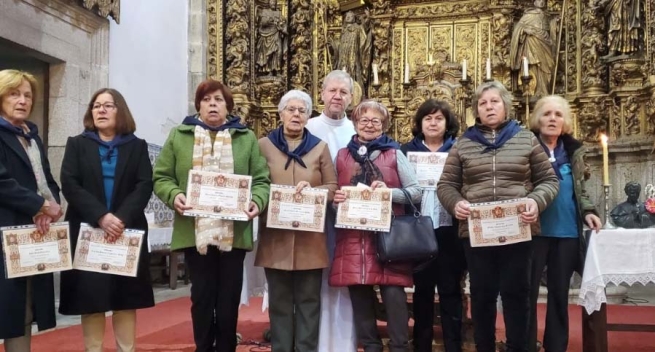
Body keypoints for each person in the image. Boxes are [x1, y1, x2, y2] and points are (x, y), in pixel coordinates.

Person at [437, 81, 559, 352]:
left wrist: (534, 201)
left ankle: (517, 347)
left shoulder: (526, 138)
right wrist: (455, 204)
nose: (489, 106)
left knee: (517, 295)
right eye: (483, 103)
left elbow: (549, 181)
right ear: (476, 110)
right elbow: (445, 185)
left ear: (505, 106)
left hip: (518, 230)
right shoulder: (463, 144)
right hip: (478, 234)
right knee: (482, 295)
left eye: (495, 101)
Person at [153, 79, 271, 352]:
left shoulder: (246, 137)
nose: (212, 104)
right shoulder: (179, 135)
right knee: (203, 296)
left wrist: (256, 201)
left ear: (228, 106)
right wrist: (174, 195)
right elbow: (161, 177)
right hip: (195, 231)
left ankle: (227, 346)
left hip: (234, 229)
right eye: (206, 100)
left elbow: (262, 180)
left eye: (218, 99)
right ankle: (204, 347)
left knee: (228, 298)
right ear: (199, 106)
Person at [59, 88, 154, 352]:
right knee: (91, 298)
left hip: (125, 230)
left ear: (120, 110)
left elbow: (144, 185)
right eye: (96, 106)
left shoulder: (136, 146)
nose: (101, 110)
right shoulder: (77, 144)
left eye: (108, 105)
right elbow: (70, 184)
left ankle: (127, 349)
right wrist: (101, 216)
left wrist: (119, 218)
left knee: (124, 297)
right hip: (88, 229)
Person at [330, 100, 422, 352]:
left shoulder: (394, 153)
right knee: (360, 296)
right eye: (364, 120)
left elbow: (415, 192)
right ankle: (370, 346)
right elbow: (336, 194)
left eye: (375, 121)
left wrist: (390, 193)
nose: (369, 125)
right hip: (353, 237)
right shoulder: (341, 155)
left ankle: (399, 347)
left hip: (389, 238)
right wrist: (337, 201)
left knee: (394, 296)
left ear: (384, 126)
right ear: (355, 123)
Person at [255, 90, 338, 352]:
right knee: (279, 301)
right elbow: (256, 183)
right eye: (290, 109)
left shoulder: (319, 147)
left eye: (302, 111)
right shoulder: (263, 145)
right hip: (275, 236)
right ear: (280, 114)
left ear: (308, 116)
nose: (296, 115)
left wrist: (315, 193)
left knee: (309, 301)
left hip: (310, 239)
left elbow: (333, 186)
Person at [526, 95, 602, 352]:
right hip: (533, 231)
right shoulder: (527, 147)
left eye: (558, 115)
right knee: (527, 294)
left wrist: (588, 211)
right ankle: (525, 343)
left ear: (565, 121)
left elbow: (579, 189)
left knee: (559, 295)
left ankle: (556, 346)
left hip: (566, 231)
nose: (552, 119)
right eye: (547, 114)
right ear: (538, 118)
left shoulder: (573, 151)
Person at [0, 69, 62, 352]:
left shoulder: (31, 137)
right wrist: (39, 205)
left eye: (27, 95)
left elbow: (46, 180)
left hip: (31, 233)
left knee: (22, 309)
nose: (22, 100)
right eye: (14, 94)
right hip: (4, 227)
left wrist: (53, 206)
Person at [400, 99, 466, 352]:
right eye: (428, 118)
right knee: (422, 292)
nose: (433, 122)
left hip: (450, 228)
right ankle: (422, 346)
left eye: (439, 118)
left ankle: (453, 345)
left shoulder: (458, 150)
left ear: (447, 123)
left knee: (451, 290)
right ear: (420, 123)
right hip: (418, 229)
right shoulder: (406, 150)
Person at [306, 69, 358, 352]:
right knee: (317, 279)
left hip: (348, 219)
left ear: (351, 98)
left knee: (344, 278)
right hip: (314, 217)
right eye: (332, 91)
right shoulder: (309, 127)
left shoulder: (356, 130)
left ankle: (343, 344)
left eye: (343, 92)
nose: (337, 96)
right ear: (322, 93)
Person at [509, 0, 555, 97]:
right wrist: (525, 30)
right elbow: (518, 27)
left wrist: (555, 24)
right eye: (539, 0)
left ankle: (544, 90)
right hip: (532, 43)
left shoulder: (547, 16)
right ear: (534, 3)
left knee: (547, 66)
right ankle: (534, 90)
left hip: (545, 43)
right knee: (534, 65)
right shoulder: (528, 15)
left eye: (543, 0)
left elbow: (551, 30)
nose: (541, 2)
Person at [333, 11, 372, 89]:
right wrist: (333, 45)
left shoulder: (357, 28)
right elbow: (339, 44)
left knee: (353, 70)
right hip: (343, 56)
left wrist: (367, 18)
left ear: (354, 18)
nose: (348, 17)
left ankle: (354, 89)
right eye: (347, 16)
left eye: (350, 16)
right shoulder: (343, 30)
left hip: (353, 54)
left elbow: (365, 28)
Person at [255, 0, 287, 75]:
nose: (274, 3)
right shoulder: (265, 11)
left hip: (276, 33)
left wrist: (281, 24)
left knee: (278, 51)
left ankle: (278, 70)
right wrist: (270, 20)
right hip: (266, 34)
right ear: (269, 3)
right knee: (268, 53)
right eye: (272, 2)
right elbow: (262, 23)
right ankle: (269, 71)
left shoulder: (278, 13)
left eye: (275, 2)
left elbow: (283, 22)